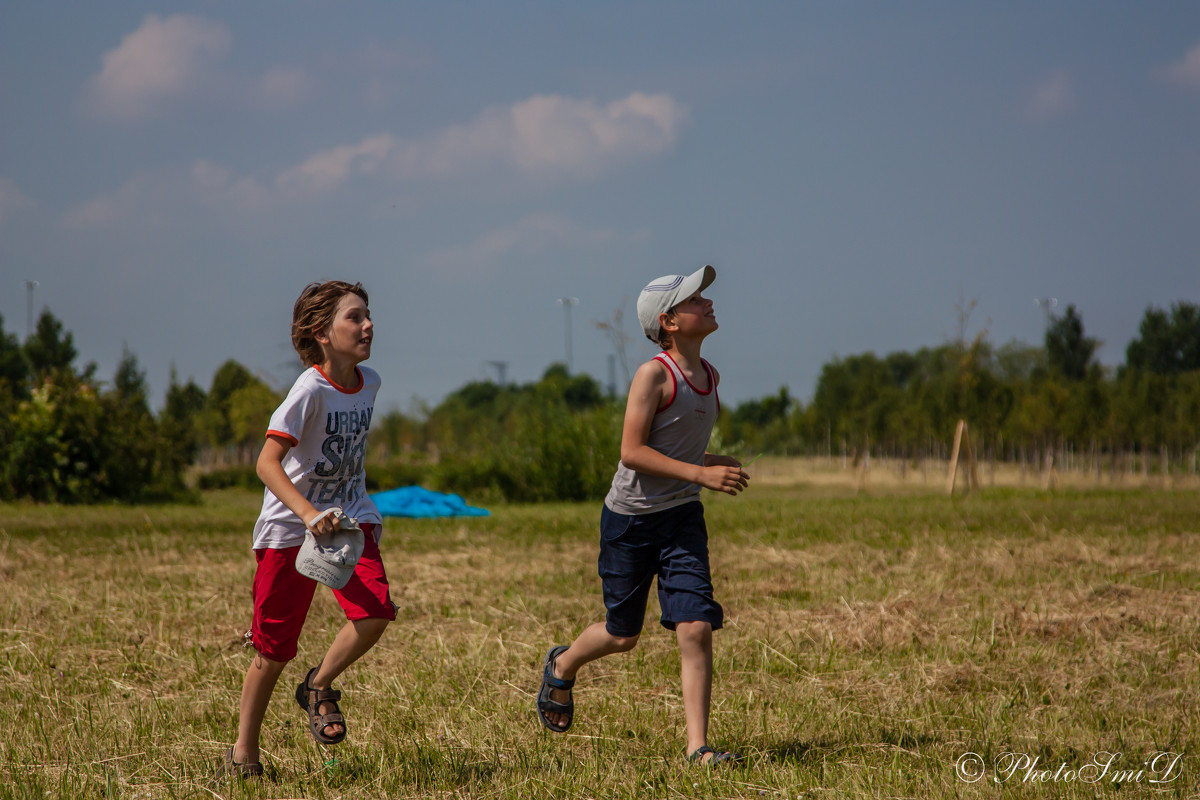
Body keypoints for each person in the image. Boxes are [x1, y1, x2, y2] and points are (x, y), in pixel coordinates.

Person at [536, 265, 750, 766]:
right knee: (622, 634)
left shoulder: (710, 375)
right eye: (695, 299)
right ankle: (563, 664)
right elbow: (632, 452)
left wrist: (713, 463)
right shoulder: (654, 374)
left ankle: (698, 748)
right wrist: (702, 475)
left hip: (680, 518)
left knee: (695, 626)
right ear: (669, 321)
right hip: (630, 520)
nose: (708, 302)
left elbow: (676, 448)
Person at [220, 280, 395, 779]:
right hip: (290, 528)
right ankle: (243, 755)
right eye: (355, 317)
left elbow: (348, 460)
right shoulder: (308, 389)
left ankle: (318, 685)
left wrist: (362, 510)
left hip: (345, 522)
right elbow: (267, 462)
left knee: (376, 612)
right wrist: (307, 515)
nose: (368, 325)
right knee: (273, 649)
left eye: (368, 316)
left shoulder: (371, 383)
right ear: (321, 332)